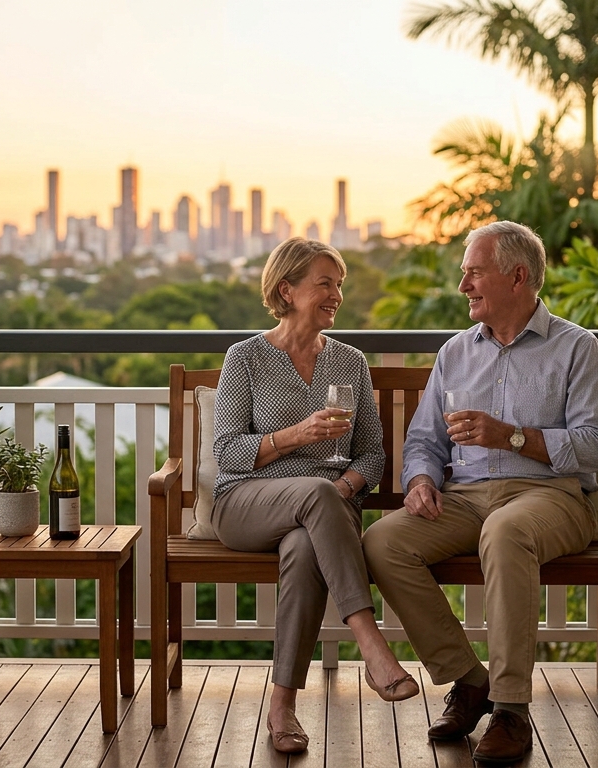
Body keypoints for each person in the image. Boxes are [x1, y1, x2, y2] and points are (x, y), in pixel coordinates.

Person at [362, 221, 598, 765]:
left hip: (553, 496)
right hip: (466, 494)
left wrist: (512, 436)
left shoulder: (577, 348)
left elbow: (597, 446)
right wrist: (422, 479)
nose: (464, 286)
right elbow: (425, 439)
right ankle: (468, 679)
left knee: (506, 531)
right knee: (383, 542)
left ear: (517, 276)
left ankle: (510, 709)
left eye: (474, 273)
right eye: (464, 275)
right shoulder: (455, 353)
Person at [212, 237, 419, 754]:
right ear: (288, 289)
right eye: (325, 283)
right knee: (318, 494)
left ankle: (281, 710)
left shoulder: (350, 362)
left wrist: (347, 486)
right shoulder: (246, 358)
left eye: (340, 285)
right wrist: (294, 436)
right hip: (246, 503)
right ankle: (371, 644)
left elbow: (372, 454)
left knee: (307, 543)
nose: (337, 295)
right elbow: (227, 453)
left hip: (321, 514)